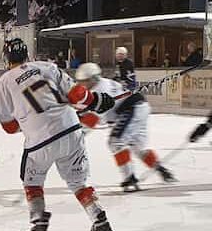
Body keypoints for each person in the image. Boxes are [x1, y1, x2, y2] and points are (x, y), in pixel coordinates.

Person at [0, 38, 115, 231]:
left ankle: (39, 223)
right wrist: (98, 101)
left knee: (32, 181)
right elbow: (78, 95)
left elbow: (9, 127)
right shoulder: (47, 67)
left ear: (6, 58)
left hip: (39, 141)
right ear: (26, 54)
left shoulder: (3, 83)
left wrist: (28, 119)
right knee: (78, 181)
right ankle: (99, 220)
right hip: (71, 130)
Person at [74, 62, 175, 192]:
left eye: (84, 81)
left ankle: (130, 179)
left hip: (132, 109)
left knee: (116, 142)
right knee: (138, 147)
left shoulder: (100, 90)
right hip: (136, 108)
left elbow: (93, 120)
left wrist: (76, 135)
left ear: (93, 79)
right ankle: (161, 169)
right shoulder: (99, 85)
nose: (81, 85)